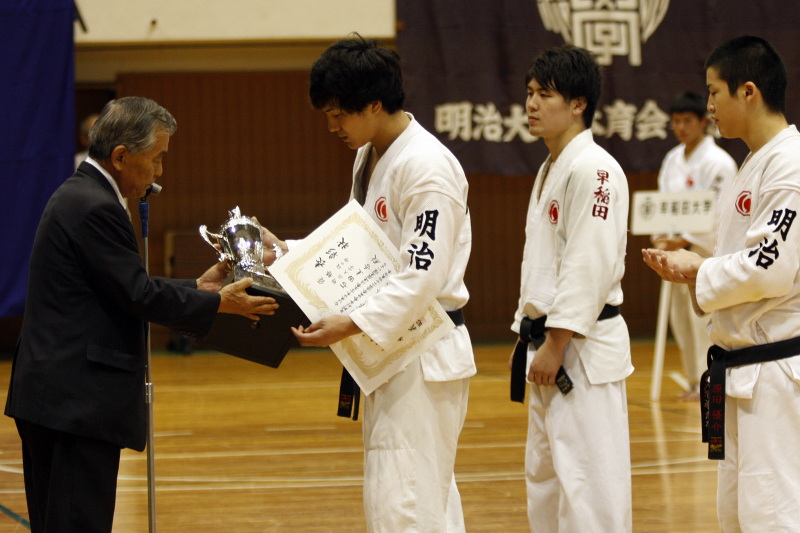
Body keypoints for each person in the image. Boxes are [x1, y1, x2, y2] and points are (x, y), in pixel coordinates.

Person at [5, 96, 279, 533]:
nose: (161, 172)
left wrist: (200, 288)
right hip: (75, 402)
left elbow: (124, 288)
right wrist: (219, 302)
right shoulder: (95, 206)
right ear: (120, 157)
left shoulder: (80, 195)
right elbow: (137, 293)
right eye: (157, 159)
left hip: (58, 397)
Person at [267, 35, 476, 532]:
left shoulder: (425, 168)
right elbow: (361, 251)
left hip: (423, 352)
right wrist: (287, 256)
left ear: (376, 104)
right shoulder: (371, 155)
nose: (332, 125)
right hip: (393, 351)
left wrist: (355, 321)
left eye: (340, 113)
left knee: (405, 504)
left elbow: (421, 274)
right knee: (422, 498)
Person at [643, 36, 800, 531]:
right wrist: (693, 269)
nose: (709, 106)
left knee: (771, 514)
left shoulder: (790, 163)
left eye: (714, 93)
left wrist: (698, 270)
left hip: (774, 371)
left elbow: (769, 267)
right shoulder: (751, 164)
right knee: (735, 514)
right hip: (737, 368)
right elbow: (735, 262)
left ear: (748, 91)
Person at [509, 44, 633, 532]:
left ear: (579, 103)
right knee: (547, 479)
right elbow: (545, 267)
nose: (532, 104)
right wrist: (533, 335)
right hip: (550, 345)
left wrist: (557, 341)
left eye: (546, 94)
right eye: (529, 93)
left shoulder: (595, 170)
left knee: (590, 484)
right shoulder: (551, 168)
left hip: (580, 350)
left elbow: (591, 264)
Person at [652, 91, 738, 399]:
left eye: (687, 121)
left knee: (703, 319)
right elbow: (662, 204)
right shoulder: (672, 159)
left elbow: (719, 210)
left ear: (703, 121)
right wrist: (663, 237)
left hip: (706, 254)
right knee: (680, 319)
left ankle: (709, 379)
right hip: (675, 252)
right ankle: (693, 379)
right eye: (675, 122)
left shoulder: (720, 163)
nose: (681, 128)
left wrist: (686, 238)